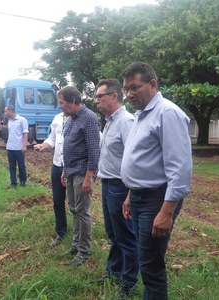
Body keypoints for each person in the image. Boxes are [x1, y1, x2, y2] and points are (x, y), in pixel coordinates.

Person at [120, 62, 192, 300]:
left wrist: (166, 212)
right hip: (140, 197)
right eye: (125, 89)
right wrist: (131, 194)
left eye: (134, 88)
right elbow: (144, 161)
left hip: (157, 199)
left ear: (152, 84)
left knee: (150, 265)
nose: (129, 94)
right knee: (145, 258)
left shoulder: (167, 113)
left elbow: (179, 168)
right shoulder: (142, 115)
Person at [95, 79, 138, 295]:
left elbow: (134, 160)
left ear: (114, 96)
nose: (97, 101)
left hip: (120, 187)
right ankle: (114, 270)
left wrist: (131, 192)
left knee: (126, 236)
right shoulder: (109, 121)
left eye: (100, 96)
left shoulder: (126, 121)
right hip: (107, 184)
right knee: (113, 233)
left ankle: (129, 282)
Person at [58, 86, 100, 266]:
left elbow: (94, 150)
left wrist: (89, 176)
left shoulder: (89, 118)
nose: (60, 106)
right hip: (71, 171)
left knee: (82, 212)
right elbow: (67, 146)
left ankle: (84, 251)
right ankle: (75, 245)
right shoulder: (70, 119)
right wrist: (64, 170)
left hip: (83, 172)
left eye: (62, 103)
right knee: (74, 209)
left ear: (73, 101)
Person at [34, 112, 69, 247]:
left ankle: (80, 237)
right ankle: (61, 232)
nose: (60, 105)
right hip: (57, 165)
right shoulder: (58, 117)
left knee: (76, 204)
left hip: (72, 166)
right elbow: (52, 138)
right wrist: (43, 145)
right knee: (57, 200)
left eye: (62, 102)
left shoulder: (79, 117)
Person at [5, 105, 28, 188]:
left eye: (6, 111)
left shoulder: (22, 120)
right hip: (10, 148)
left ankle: (23, 183)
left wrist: (24, 146)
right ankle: (13, 184)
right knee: (12, 167)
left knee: (21, 166)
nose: (5, 113)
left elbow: (25, 133)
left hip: (19, 148)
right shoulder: (9, 121)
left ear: (11, 111)